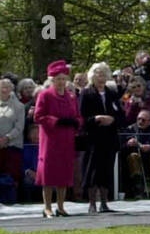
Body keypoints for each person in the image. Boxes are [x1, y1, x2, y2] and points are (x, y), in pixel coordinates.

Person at [33, 61, 82, 217]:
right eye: (58, 79)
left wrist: (76, 122)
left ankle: (60, 206)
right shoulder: (45, 95)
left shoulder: (71, 97)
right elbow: (38, 116)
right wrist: (56, 121)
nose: (61, 82)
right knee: (48, 173)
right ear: (52, 80)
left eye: (63, 79)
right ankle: (47, 206)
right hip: (51, 139)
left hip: (67, 140)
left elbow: (78, 116)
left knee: (64, 173)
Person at [79, 62, 123, 213]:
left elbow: (120, 115)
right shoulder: (86, 93)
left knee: (106, 169)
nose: (101, 77)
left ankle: (104, 203)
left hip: (109, 137)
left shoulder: (112, 93)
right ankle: (92, 203)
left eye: (104, 74)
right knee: (92, 170)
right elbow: (82, 116)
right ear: (93, 76)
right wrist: (96, 118)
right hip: (93, 138)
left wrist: (113, 120)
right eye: (98, 74)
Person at [0, 78, 26, 187]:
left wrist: (6, 138)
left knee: (12, 175)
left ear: (12, 89)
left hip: (12, 145)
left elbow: (19, 127)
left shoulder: (19, 106)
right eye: (2, 87)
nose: (4, 89)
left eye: (7, 87)